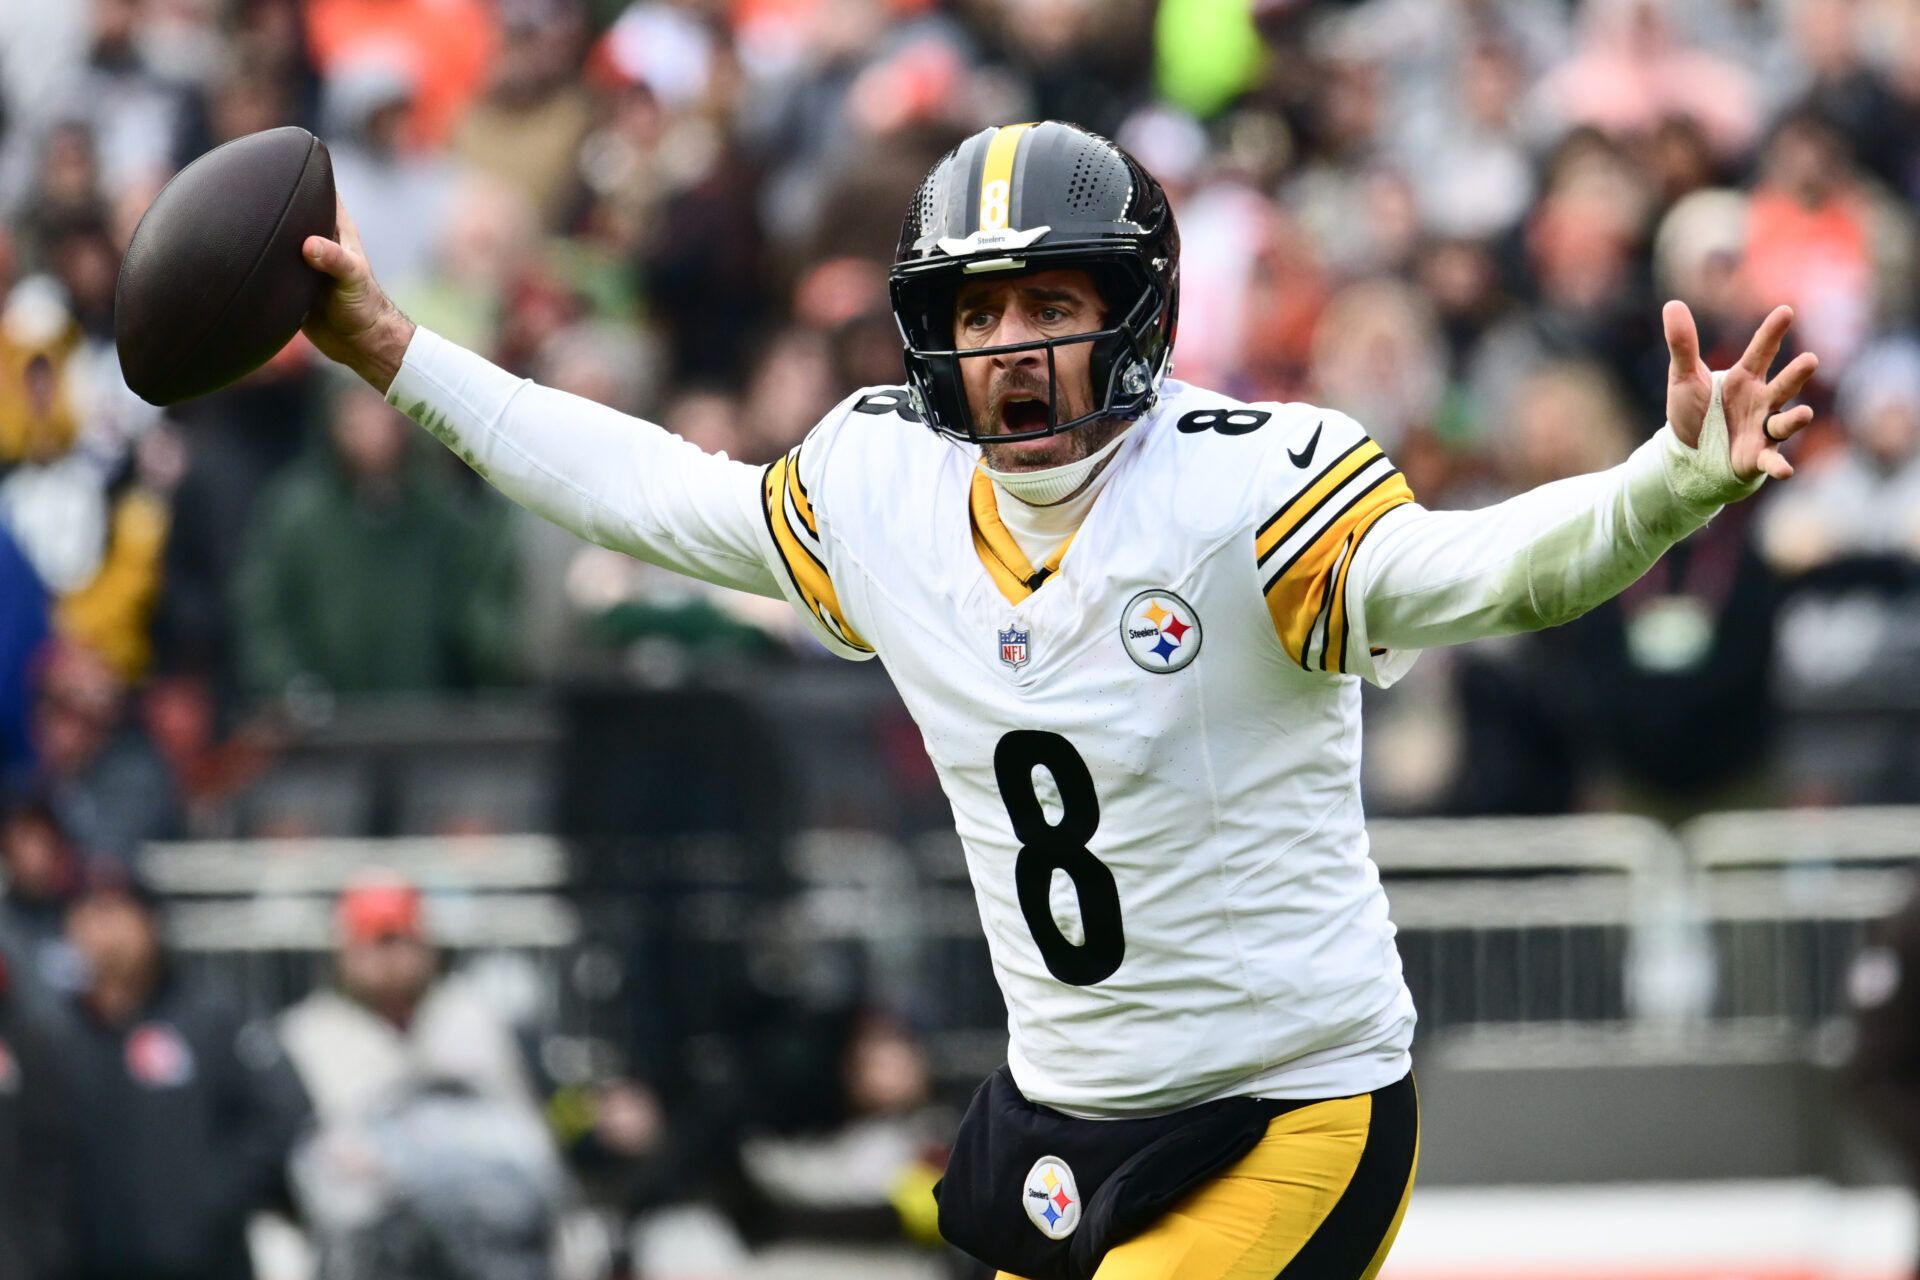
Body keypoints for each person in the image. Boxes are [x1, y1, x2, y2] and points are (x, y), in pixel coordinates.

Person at [300, 120, 1818, 1280]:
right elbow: (641, 491)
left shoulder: (1240, 492)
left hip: (1289, 1108)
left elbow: (1492, 574)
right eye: (974, 312)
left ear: (1138, 315)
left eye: (1047, 303)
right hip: (1063, 1114)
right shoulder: (882, 485)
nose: (1010, 349)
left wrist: (1658, 493)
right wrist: (395, 355)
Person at [59, 859, 310, 1280]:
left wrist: (213, 1195)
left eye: (117, 911)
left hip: (203, 1266)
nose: (102, 930)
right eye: (89, 912)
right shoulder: (55, 1030)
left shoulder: (211, 1015)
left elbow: (285, 1113)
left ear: (151, 922)